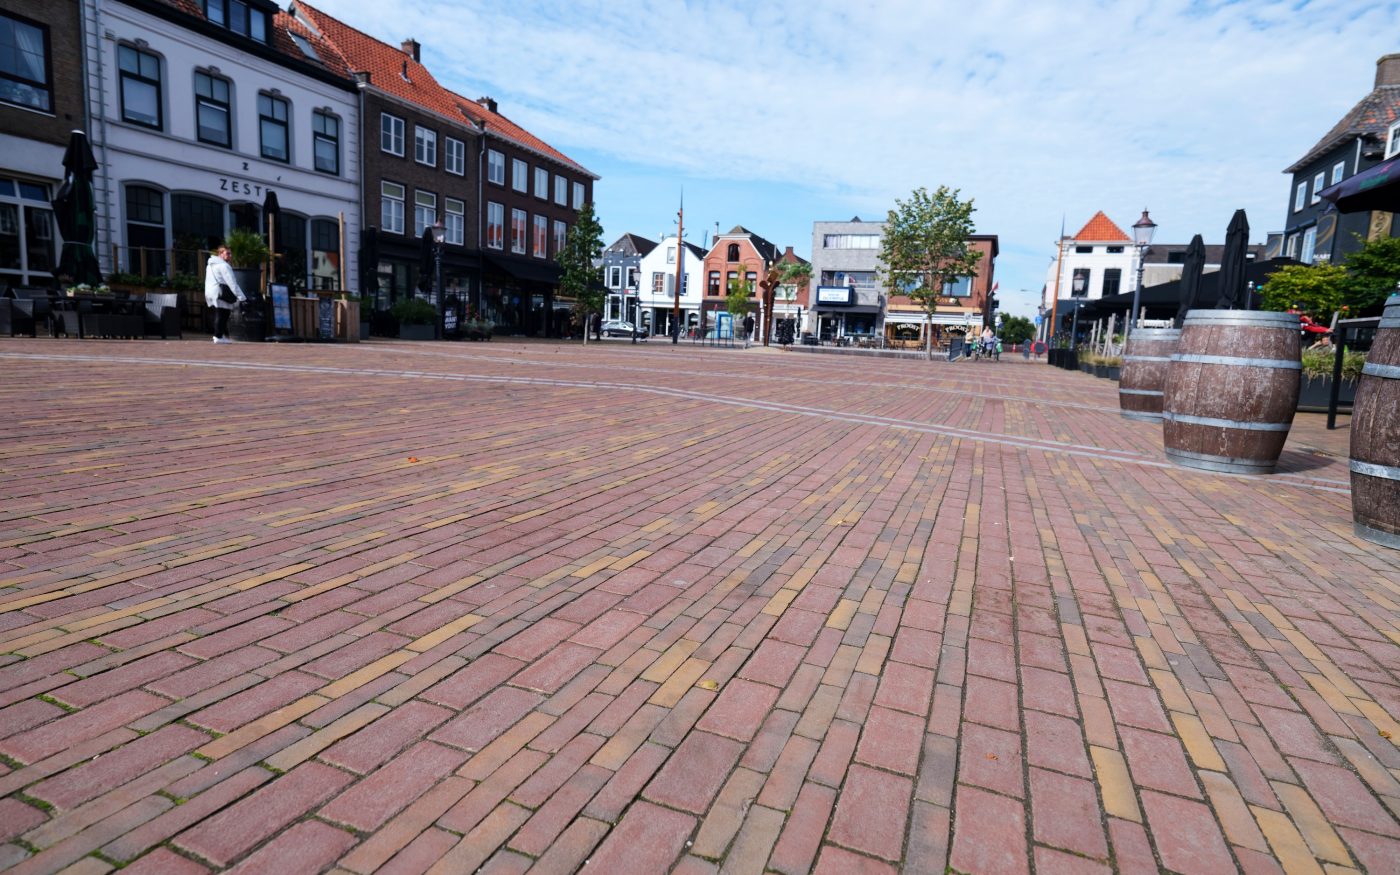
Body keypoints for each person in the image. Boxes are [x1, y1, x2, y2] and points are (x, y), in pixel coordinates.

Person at [204, 245, 246, 343]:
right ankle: (218, 336)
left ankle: (219, 335)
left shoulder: (210, 265)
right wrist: (242, 298)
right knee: (222, 314)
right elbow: (232, 283)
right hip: (220, 292)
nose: (230, 255)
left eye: (230, 253)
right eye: (227, 253)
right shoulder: (224, 266)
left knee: (220, 313)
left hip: (211, 291)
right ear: (220, 254)